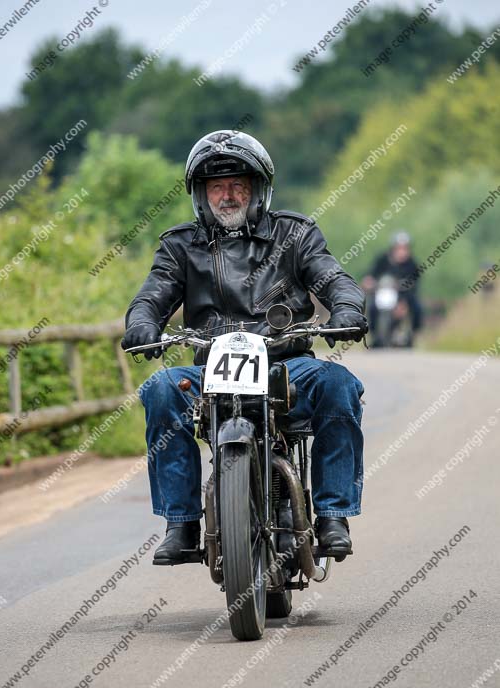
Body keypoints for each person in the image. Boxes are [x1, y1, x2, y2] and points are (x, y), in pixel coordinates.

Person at [122, 130, 368, 566]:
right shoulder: (180, 246)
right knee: (160, 388)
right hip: (211, 370)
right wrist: (142, 323)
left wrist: (346, 308)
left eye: (238, 184)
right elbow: (151, 296)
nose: (228, 195)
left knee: (340, 384)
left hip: (287, 365)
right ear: (201, 194)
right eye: (217, 186)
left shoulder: (296, 234)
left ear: (258, 189)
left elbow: (334, 279)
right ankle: (181, 523)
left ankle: (333, 515)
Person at [363, 231, 422, 343]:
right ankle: (375, 335)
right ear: (393, 248)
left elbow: (415, 285)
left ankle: (412, 335)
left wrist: (403, 302)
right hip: (382, 293)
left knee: (417, 308)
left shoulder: (412, 264)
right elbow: (371, 275)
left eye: (405, 248)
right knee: (372, 308)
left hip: (404, 296)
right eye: (399, 248)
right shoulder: (382, 260)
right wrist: (368, 281)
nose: (402, 251)